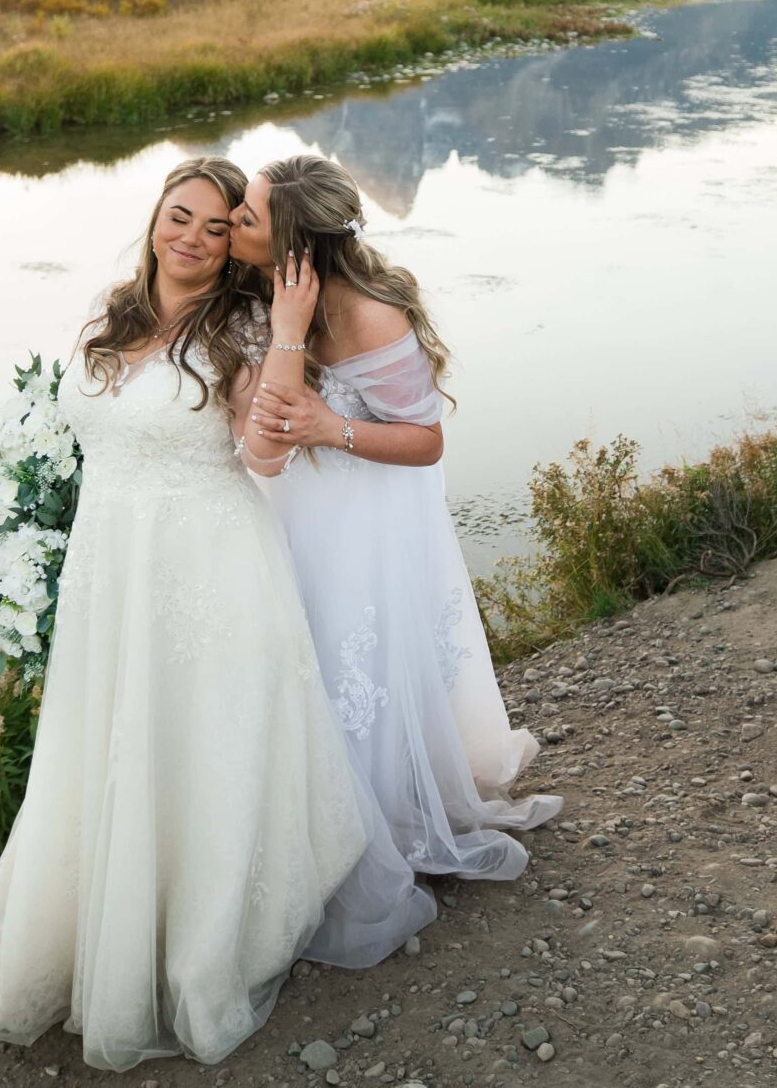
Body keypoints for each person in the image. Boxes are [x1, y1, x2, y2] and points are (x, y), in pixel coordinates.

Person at [0, 157, 432, 1073]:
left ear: (234, 249)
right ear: (155, 218)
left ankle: (199, 939)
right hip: (112, 580)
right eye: (179, 216)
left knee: (200, 753)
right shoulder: (114, 315)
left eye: (218, 227)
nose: (192, 236)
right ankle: (105, 918)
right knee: (107, 753)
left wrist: (294, 330)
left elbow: (265, 458)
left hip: (210, 578)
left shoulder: (243, 329)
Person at [233, 154, 561, 880]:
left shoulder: (370, 315)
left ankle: (374, 822)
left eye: (248, 216)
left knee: (355, 658)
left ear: (293, 244)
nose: (232, 220)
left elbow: (426, 440)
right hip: (291, 511)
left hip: (362, 527)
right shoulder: (266, 296)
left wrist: (329, 427)